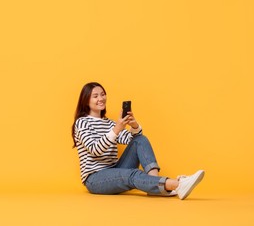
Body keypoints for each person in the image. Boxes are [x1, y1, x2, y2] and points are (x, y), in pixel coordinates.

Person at [71, 82, 204, 200]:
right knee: (133, 175)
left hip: (115, 170)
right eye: (95, 96)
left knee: (140, 139)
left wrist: (134, 126)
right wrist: (116, 129)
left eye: (103, 94)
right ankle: (177, 184)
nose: (101, 99)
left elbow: (131, 139)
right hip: (95, 179)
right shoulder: (82, 123)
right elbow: (95, 150)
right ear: (86, 100)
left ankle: (155, 187)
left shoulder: (109, 123)